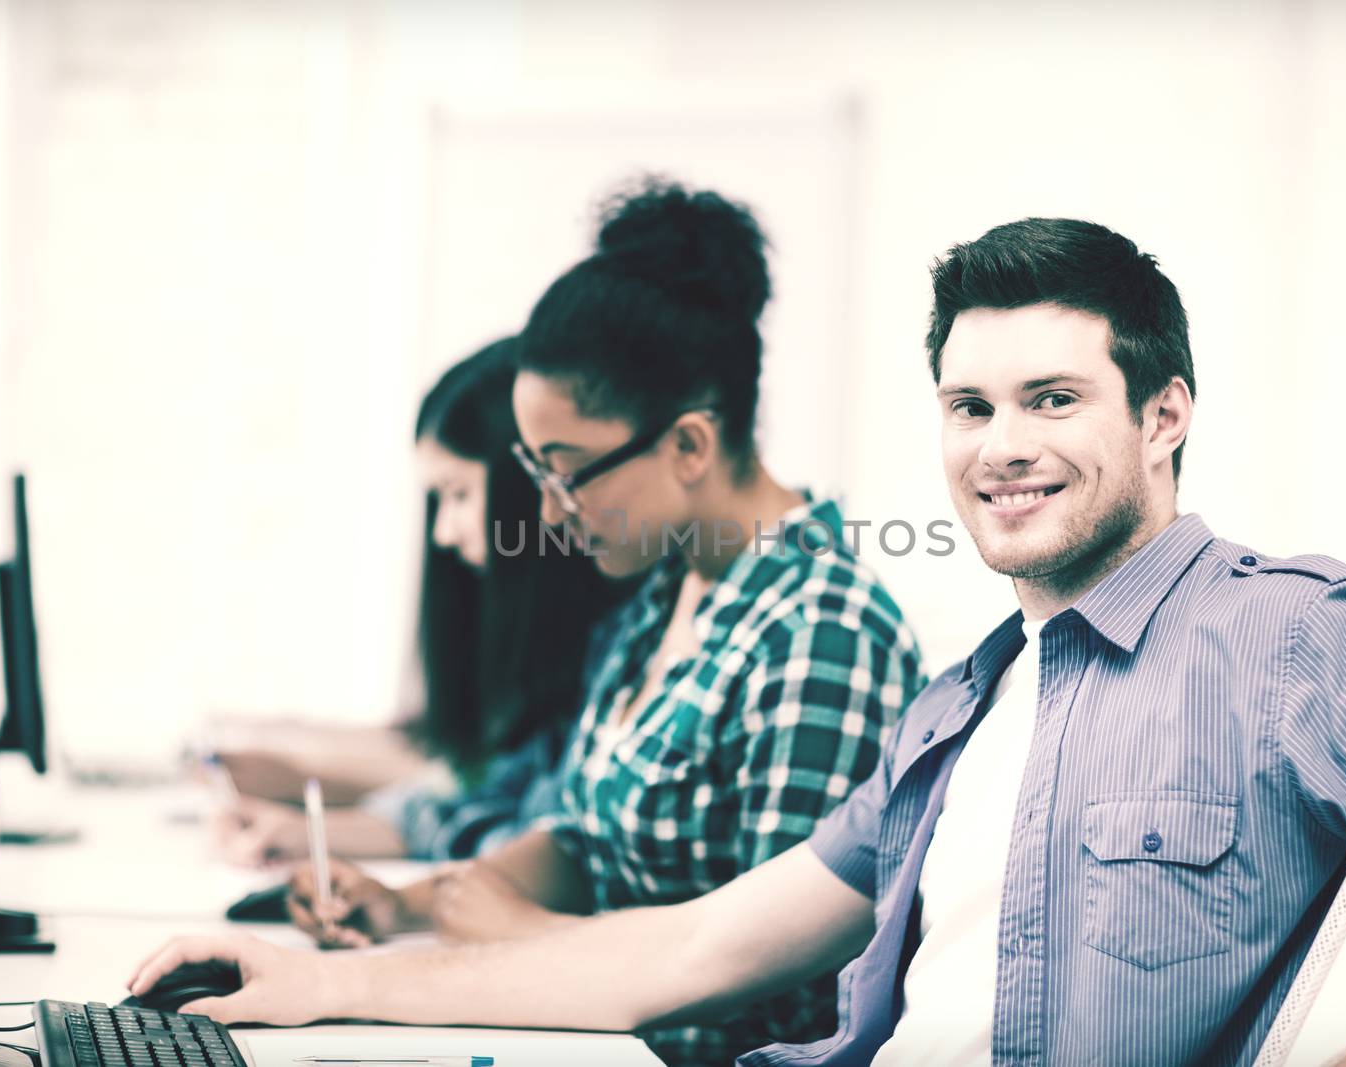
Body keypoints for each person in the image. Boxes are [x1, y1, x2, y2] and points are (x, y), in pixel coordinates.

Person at [132, 218, 1346, 1065]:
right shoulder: (965, 707)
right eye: (968, 405)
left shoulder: (1292, 631)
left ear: (1164, 414)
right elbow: (677, 953)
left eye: (1052, 397)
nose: (1003, 446)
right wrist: (322, 985)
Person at [274, 181, 924, 1066]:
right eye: (534, 470)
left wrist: (524, 936)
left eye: (567, 472)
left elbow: (788, 1002)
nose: (547, 513)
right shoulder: (664, 591)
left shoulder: (823, 636)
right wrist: (419, 903)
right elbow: (590, 837)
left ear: (690, 446)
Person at [216, 339, 625, 864]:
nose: (444, 534)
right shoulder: (547, 659)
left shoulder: (615, 643)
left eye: (458, 494)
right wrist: (308, 832)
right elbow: (483, 795)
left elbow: (531, 845)